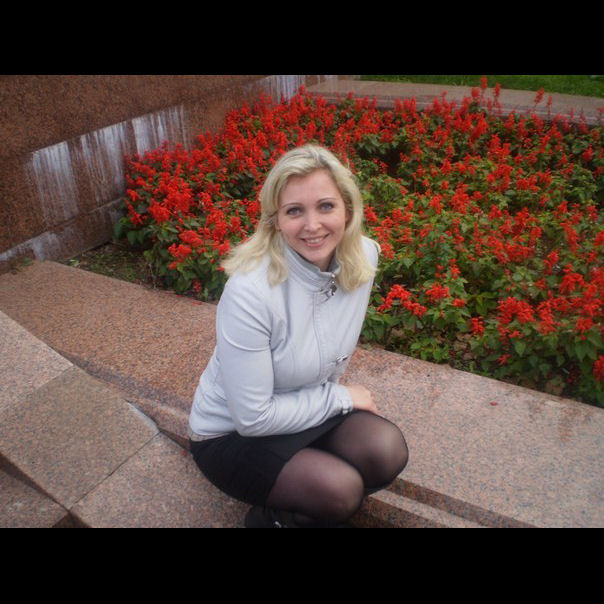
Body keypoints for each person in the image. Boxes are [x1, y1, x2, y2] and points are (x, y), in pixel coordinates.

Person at [188, 144, 408, 527]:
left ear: (348, 208)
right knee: (340, 491)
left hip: (305, 407)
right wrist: (341, 397)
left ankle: (302, 492)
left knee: (386, 452)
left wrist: (329, 399)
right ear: (275, 220)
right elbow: (253, 418)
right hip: (232, 434)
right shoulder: (249, 292)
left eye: (326, 206)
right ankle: (271, 520)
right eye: (294, 211)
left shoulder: (363, 257)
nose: (312, 225)